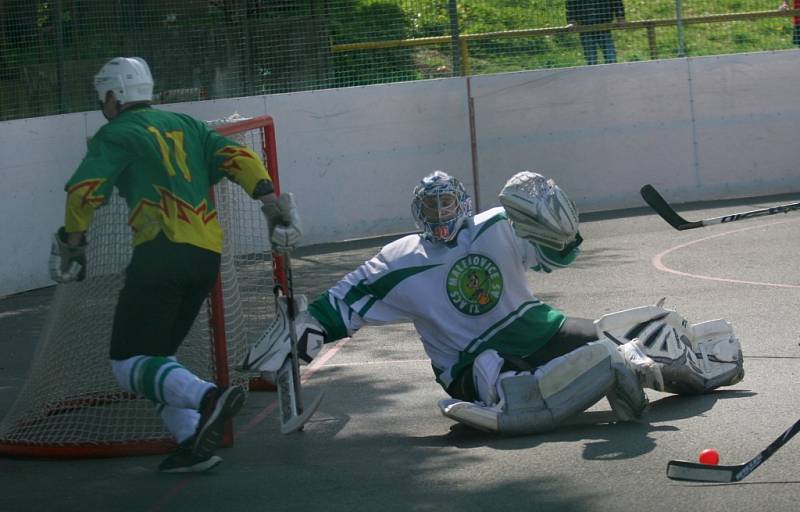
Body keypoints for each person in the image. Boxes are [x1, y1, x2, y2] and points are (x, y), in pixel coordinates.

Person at [245, 170, 744, 435]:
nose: (440, 214)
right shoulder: (399, 261)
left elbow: (557, 257)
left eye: (447, 203)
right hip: (472, 362)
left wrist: (562, 229)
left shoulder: (497, 224)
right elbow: (335, 310)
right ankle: (565, 383)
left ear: (462, 202)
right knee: (595, 360)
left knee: (632, 331)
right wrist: (282, 355)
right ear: (417, 212)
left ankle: (705, 362)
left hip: (536, 328)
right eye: (430, 207)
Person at [48, 57, 302, 472]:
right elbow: (241, 158)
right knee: (155, 356)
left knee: (127, 364)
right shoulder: (191, 125)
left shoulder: (115, 133)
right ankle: (191, 442)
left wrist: (74, 244)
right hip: (205, 257)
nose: (102, 104)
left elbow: (83, 191)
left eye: (103, 97)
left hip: (160, 253)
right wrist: (271, 205)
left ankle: (208, 398)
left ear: (114, 96)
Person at [566, 0, 626, 65]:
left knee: (611, 58)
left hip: (604, 25)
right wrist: (572, 21)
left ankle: (612, 73)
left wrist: (620, 17)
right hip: (585, 26)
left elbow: (617, 2)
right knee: (591, 60)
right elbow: (570, 4)